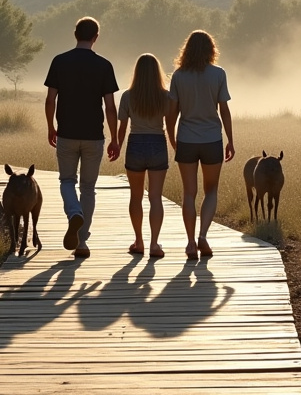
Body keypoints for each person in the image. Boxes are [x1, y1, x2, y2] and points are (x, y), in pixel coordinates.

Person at [44, 16, 120, 258]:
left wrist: (51, 127)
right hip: (93, 136)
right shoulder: (104, 65)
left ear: (75, 34)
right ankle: (82, 242)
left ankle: (74, 213)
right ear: (96, 37)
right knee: (88, 187)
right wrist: (115, 138)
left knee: (67, 181)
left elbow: (50, 100)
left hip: (66, 133)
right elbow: (110, 107)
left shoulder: (59, 61)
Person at [167, 30, 235, 260]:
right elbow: (224, 110)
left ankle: (189, 243)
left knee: (189, 193)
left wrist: (172, 138)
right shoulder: (219, 74)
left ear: (186, 50)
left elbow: (171, 113)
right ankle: (203, 235)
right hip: (212, 139)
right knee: (211, 190)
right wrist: (230, 140)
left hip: (187, 138)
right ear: (210, 50)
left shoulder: (178, 76)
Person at [116, 53, 174, 259]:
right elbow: (170, 124)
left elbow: (122, 127)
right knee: (155, 197)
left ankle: (139, 241)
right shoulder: (166, 96)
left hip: (135, 144)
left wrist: (117, 145)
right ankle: (154, 244)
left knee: (136, 196)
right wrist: (175, 144)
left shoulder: (127, 96)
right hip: (158, 143)